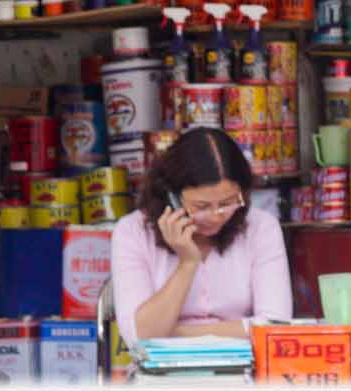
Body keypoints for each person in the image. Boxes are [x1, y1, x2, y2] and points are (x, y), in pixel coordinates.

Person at [110, 127, 291, 343]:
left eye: (227, 203)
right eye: (201, 206)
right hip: (161, 374)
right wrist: (187, 263)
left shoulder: (261, 228)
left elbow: (276, 326)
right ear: (171, 196)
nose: (216, 217)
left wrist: (174, 333)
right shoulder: (132, 232)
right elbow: (138, 338)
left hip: (246, 370)